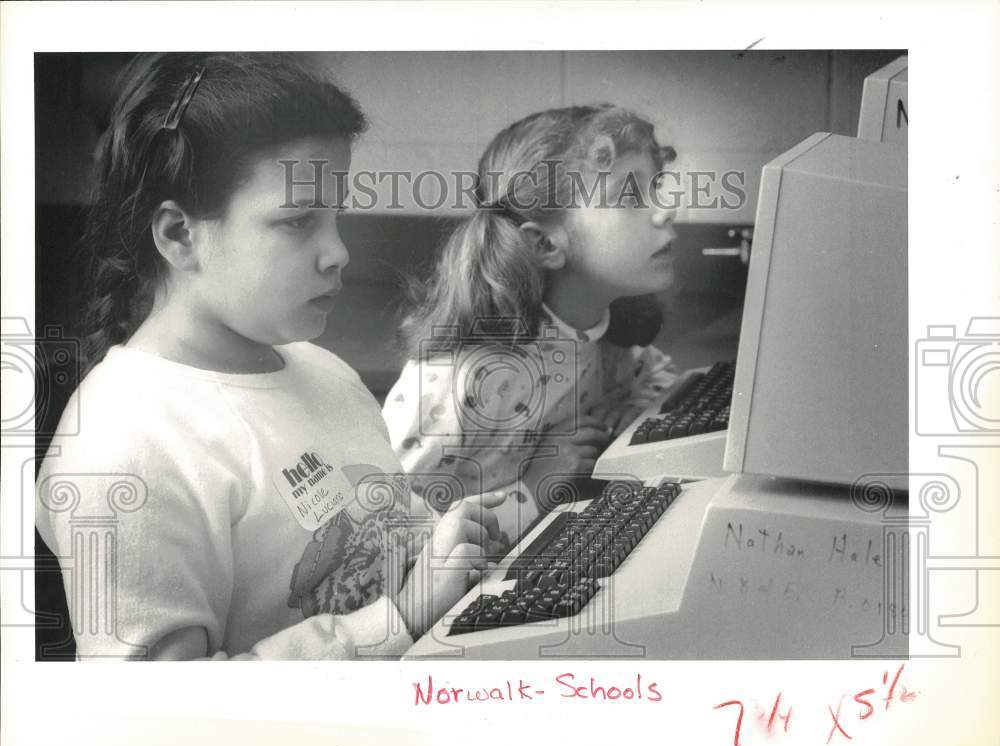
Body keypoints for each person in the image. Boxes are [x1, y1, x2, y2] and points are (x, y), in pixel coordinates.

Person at [35, 53, 504, 661]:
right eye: (297, 221)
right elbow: (167, 725)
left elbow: (393, 552)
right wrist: (403, 616)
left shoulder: (322, 370)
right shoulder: (122, 444)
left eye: (335, 217)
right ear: (179, 234)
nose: (337, 252)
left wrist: (453, 544)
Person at [382, 105, 679, 535]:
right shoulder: (458, 382)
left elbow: (654, 379)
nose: (665, 210)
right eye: (631, 196)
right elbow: (382, 534)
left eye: (658, 187)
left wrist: (627, 422)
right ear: (543, 244)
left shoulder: (605, 339)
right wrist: (533, 491)